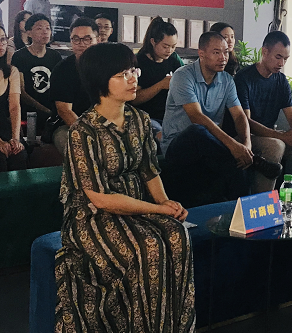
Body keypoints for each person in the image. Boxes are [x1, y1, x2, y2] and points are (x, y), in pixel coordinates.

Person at [54, 42, 195, 332]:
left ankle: (171, 327)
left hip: (137, 206)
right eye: (122, 74)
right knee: (149, 247)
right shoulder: (83, 131)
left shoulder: (140, 120)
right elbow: (100, 198)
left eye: (133, 71)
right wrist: (157, 209)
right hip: (92, 217)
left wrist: (165, 203)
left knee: (178, 235)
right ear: (100, 82)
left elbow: (149, 171)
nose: (133, 79)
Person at [161, 32, 281, 200]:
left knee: (236, 165)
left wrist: (246, 146)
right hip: (178, 146)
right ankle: (253, 164)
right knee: (197, 131)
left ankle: (243, 206)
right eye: (216, 52)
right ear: (201, 54)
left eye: (225, 52)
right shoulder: (183, 76)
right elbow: (196, 116)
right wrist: (233, 146)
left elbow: (239, 116)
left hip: (211, 147)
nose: (223, 58)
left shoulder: (227, 81)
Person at [234, 31, 292, 192]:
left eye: (285, 59)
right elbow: (246, 122)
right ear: (264, 52)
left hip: (270, 134)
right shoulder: (244, 78)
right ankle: (264, 200)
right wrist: (281, 136)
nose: (281, 63)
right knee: (275, 146)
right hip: (244, 136)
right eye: (278, 57)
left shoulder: (281, 81)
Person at [49, 17, 98, 153]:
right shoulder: (63, 70)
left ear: (98, 40)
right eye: (75, 39)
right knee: (73, 142)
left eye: (87, 39)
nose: (81, 44)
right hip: (69, 125)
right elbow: (65, 111)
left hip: (102, 122)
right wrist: (90, 134)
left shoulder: (107, 67)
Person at [133, 17, 183, 138]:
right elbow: (134, 98)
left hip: (171, 115)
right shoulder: (139, 62)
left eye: (173, 46)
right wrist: (160, 85)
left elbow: (185, 76)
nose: (169, 51)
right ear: (153, 41)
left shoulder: (173, 58)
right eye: (165, 46)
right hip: (147, 117)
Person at [11, 13, 62, 131]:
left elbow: (59, 86)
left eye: (48, 28)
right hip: (29, 111)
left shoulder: (55, 56)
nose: (45, 32)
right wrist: (45, 110)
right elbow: (21, 92)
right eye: (39, 28)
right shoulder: (19, 56)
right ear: (29, 33)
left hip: (53, 110)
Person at [0, 24, 27, 172]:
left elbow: (14, 106)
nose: (0, 44)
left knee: (19, 154)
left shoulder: (12, 71)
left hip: (2, 125)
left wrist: (15, 138)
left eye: (3, 39)